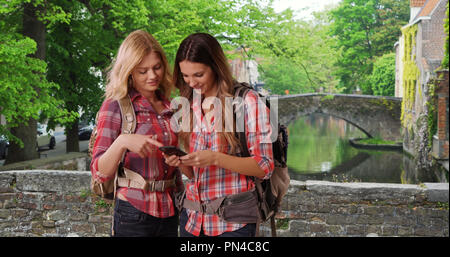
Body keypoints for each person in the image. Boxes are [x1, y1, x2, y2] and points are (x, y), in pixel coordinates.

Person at [164, 33, 274, 237]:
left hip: (233, 224)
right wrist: (182, 162)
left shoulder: (247, 102)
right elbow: (194, 175)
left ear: (215, 67)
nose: (191, 83)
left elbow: (264, 166)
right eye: (185, 76)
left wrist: (215, 158)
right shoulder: (189, 104)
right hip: (192, 221)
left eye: (198, 75)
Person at [90, 30, 183, 237]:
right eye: (143, 71)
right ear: (129, 71)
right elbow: (98, 172)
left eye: (157, 67)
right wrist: (123, 141)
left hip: (170, 210)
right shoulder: (115, 105)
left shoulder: (169, 105)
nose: (152, 75)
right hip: (134, 213)